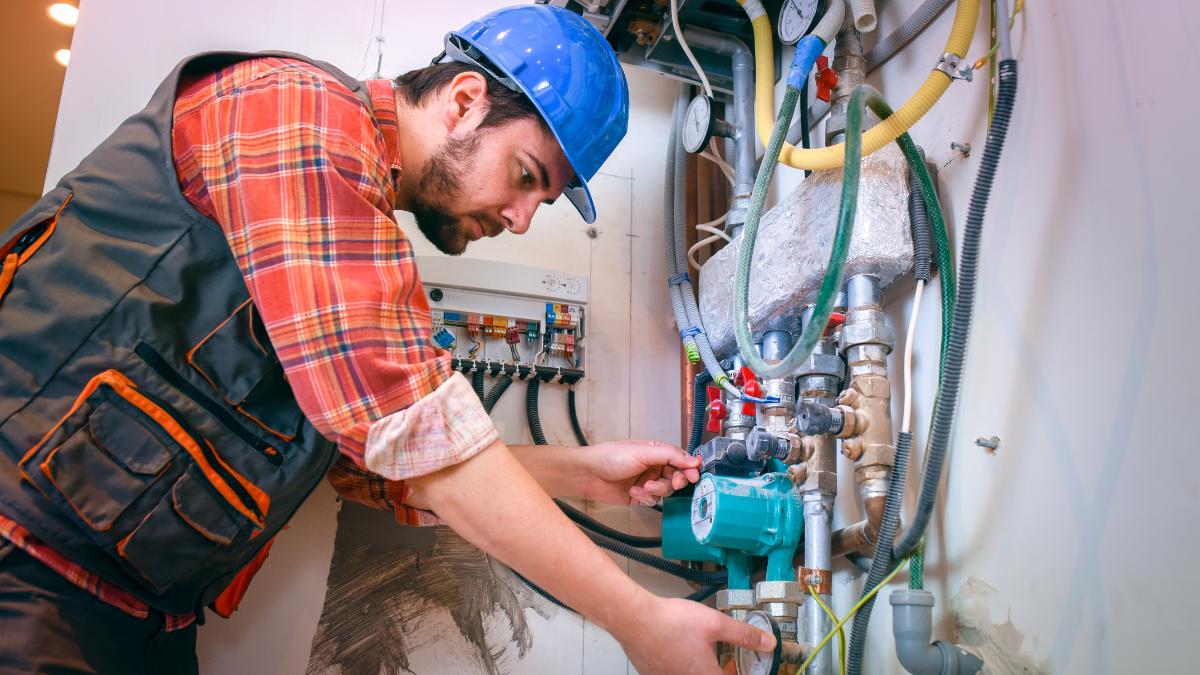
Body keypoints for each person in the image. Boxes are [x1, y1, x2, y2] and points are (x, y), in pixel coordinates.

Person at [0, 4, 774, 674]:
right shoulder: (299, 116)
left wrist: (581, 472)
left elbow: (377, 468)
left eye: (540, 200)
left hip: (131, 611)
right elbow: (416, 437)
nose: (520, 219)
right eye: (526, 175)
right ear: (465, 102)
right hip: (28, 564)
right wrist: (640, 618)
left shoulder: (350, 237)